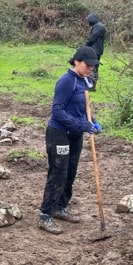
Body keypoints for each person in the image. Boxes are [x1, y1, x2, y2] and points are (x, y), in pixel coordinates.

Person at [38, 46, 102, 234]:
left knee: (70, 172)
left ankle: (60, 207)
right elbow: (57, 111)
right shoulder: (66, 81)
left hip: (75, 135)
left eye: (93, 65)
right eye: (88, 65)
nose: (91, 68)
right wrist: (82, 125)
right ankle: (45, 214)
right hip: (59, 133)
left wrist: (93, 122)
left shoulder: (85, 81)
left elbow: (83, 108)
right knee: (58, 172)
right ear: (77, 61)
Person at [84, 13, 106, 91]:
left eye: (89, 20)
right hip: (97, 50)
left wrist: (85, 46)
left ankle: (91, 86)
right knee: (93, 67)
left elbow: (92, 38)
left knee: (92, 67)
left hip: (95, 50)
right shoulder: (99, 26)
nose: (88, 22)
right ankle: (91, 85)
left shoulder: (98, 26)